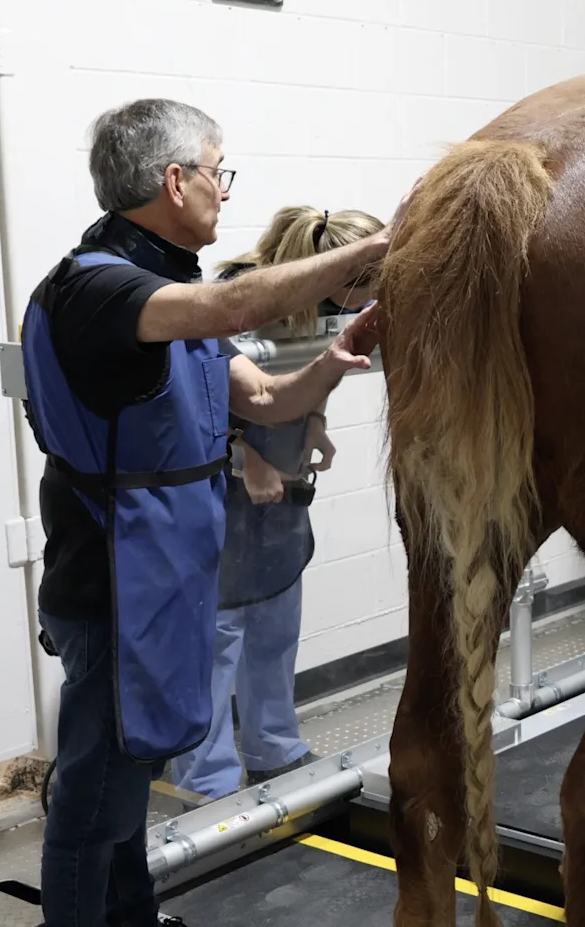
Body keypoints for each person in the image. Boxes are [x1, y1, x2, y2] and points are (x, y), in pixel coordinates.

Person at [19, 98, 387, 927]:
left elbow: (262, 399)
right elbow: (233, 310)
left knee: (125, 780)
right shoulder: (99, 290)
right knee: (95, 798)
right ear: (174, 180)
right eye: (218, 173)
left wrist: (336, 358)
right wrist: (376, 249)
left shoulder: (160, 287)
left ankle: (134, 918)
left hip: (165, 580)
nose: (224, 190)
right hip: (115, 586)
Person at [165, 206, 385, 800]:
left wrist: (313, 421)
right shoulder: (231, 300)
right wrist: (247, 457)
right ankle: (205, 777)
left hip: (281, 486)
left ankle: (274, 748)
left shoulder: (313, 309)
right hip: (218, 486)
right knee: (219, 634)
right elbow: (188, 402)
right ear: (331, 274)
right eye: (363, 287)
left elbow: (306, 367)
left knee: (276, 622)